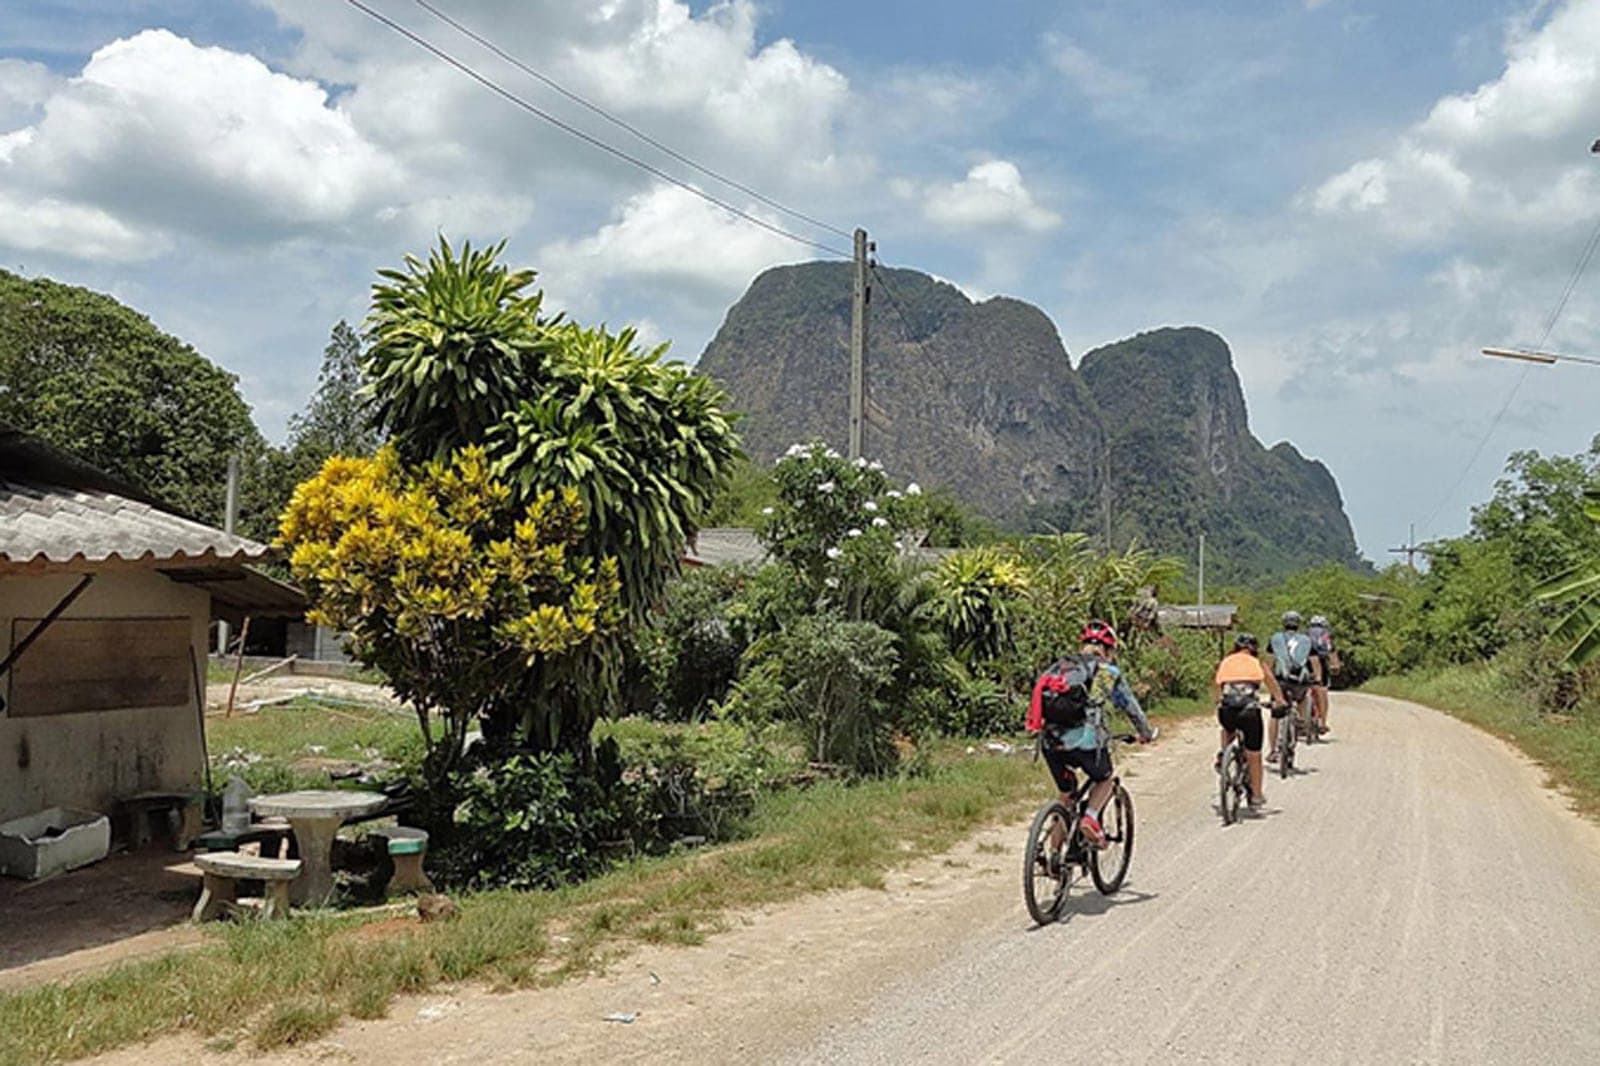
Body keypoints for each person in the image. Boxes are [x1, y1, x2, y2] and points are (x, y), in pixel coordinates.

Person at [1025, 620, 1157, 847]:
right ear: (1108, 649)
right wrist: (1145, 733)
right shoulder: (1106, 671)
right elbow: (1129, 705)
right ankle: (1091, 818)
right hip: (1086, 742)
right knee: (1104, 778)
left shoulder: (1060, 667)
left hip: (1051, 742)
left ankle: (1053, 858)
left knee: (1066, 795)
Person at [1212, 633, 1284, 808]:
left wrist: (1217, 701)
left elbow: (1216, 686)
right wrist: (1279, 701)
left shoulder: (1226, 661)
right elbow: (1271, 682)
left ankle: (1225, 753)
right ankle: (1257, 795)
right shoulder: (1257, 663)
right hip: (1249, 712)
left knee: (1228, 728)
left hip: (1227, 710)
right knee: (1254, 754)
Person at [1266, 610, 1322, 762]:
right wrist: (1317, 678)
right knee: (1303, 697)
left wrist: (1268, 681)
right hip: (1299, 682)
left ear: (1284, 624)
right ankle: (1301, 721)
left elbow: (1269, 663)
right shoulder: (1306, 640)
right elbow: (1315, 662)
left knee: (1275, 714)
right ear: (1298, 624)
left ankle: (1272, 751)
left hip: (1281, 682)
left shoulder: (1275, 639)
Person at [1306, 614, 1340, 735]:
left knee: (1303, 687)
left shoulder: (1305, 633)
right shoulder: (1326, 635)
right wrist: (1335, 665)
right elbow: (1331, 651)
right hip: (1320, 662)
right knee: (1322, 690)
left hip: (1304, 662)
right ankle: (1323, 722)